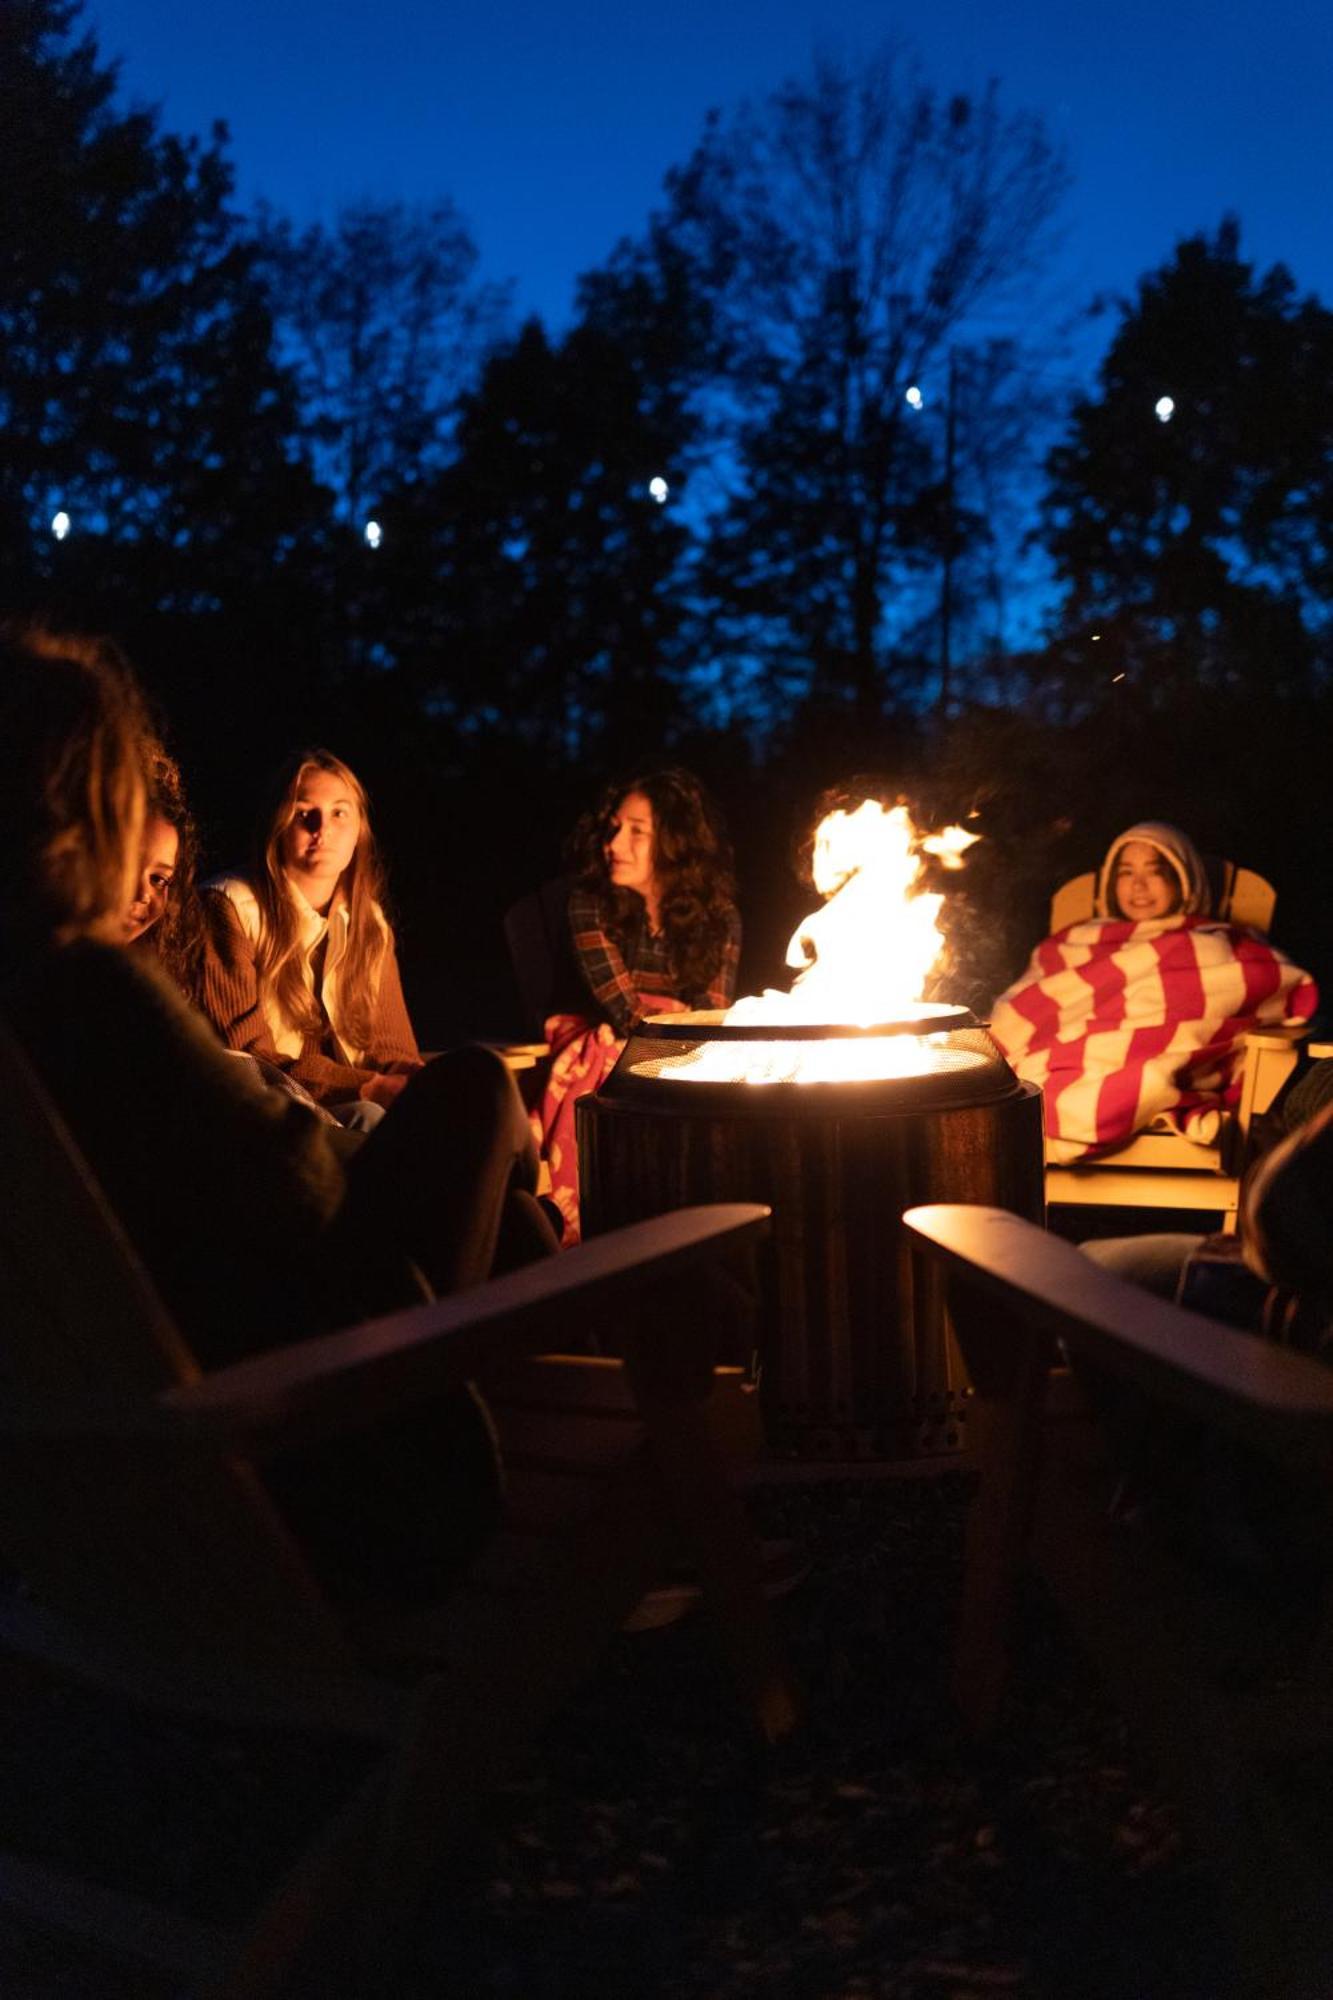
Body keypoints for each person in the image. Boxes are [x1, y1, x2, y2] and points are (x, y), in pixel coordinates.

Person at [0, 625, 557, 1604]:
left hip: (134, 1465)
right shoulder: (91, 997)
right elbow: (305, 1182)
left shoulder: (34, 1012)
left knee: (501, 1195)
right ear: (89, 808)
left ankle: (561, 1343)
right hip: (338, 1466)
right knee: (476, 1091)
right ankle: (636, 1427)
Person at [990, 820, 1317, 1161]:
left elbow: (1259, 983)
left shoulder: (1214, 943)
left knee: (1138, 1082)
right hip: (1068, 1053)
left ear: (1184, 881)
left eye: (1155, 872)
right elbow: (1025, 1006)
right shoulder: (1078, 941)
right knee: (1025, 1086)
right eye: (1126, 873)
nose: (1139, 886)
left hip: (1151, 1057)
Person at [539, 768, 741, 1242]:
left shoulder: (720, 918)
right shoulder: (590, 903)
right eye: (613, 827)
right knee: (611, 1051)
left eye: (636, 831)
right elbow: (621, 1008)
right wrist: (663, 1029)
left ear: (673, 841)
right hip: (612, 1036)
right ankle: (583, 1218)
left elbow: (712, 1014)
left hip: (683, 1045)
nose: (614, 843)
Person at [199, 749, 424, 1121]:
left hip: (360, 1107)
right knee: (370, 1117)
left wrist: (420, 1082)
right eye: (305, 813)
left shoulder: (369, 923)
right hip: (273, 1113)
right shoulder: (230, 906)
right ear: (278, 825)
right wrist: (367, 1086)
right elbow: (250, 1059)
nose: (323, 828)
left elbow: (394, 1053)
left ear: (359, 831)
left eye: (339, 812)